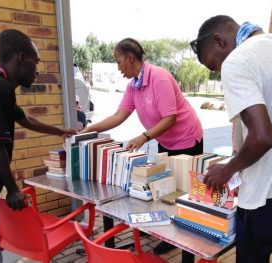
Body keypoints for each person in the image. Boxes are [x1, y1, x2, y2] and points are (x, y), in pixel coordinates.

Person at [82, 37, 203, 254]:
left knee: (181, 191)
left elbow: (170, 118)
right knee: (164, 187)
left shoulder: (159, 77)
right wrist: (90, 129)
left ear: (130, 58)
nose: (118, 67)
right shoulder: (134, 85)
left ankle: (176, 238)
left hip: (186, 138)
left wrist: (143, 137)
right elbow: (119, 115)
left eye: (119, 61)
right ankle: (161, 227)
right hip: (165, 141)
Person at [191, 15, 272, 262]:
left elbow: (264, 136)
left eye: (214, 66)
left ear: (219, 41)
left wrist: (228, 169)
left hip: (268, 194)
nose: (220, 71)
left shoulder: (237, 60)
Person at [0, 29, 76, 262]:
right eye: (36, 60)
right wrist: (13, 189)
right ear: (21, 57)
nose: (38, 69)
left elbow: (25, 120)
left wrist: (60, 131)